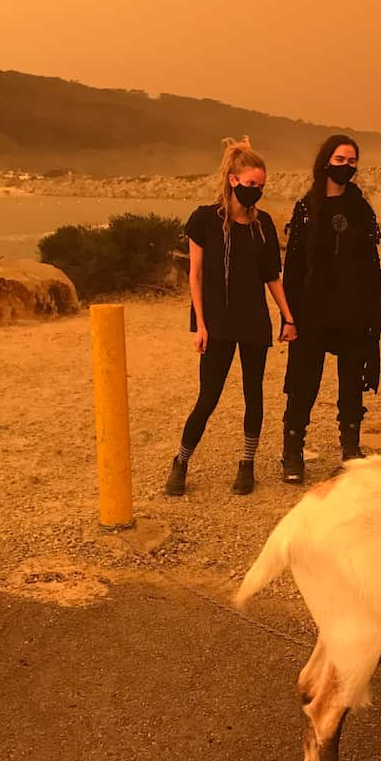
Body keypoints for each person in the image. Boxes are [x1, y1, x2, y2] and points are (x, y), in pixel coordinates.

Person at [165, 137, 296, 497]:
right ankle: (181, 461)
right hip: (218, 322)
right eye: (251, 184)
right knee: (208, 397)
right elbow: (196, 275)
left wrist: (288, 317)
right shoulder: (205, 220)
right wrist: (200, 325)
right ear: (234, 180)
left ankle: (247, 463)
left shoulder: (263, 224)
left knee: (254, 396)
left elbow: (271, 275)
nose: (256, 191)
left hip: (253, 320)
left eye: (261, 186)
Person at [279, 135, 381, 482]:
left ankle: (350, 450)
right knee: (303, 382)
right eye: (340, 159)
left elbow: (371, 262)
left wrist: (374, 310)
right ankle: (292, 452)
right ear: (326, 161)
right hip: (312, 312)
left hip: (353, 310)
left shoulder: (361, 210)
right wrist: (288, 316)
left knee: (352, 381)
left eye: (352, 161)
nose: (347, 166)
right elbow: (293, 267)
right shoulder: (306, 209)